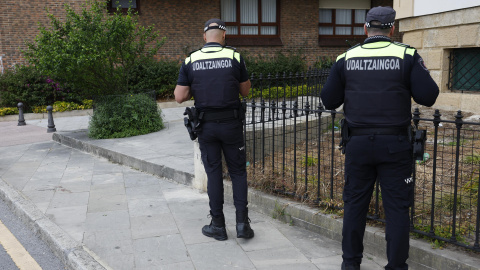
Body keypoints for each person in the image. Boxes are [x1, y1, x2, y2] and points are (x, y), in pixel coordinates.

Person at [320, 6, 439, 270]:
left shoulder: (346, 57)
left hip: (358, 144)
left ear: (365, 29)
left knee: (354, 206)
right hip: (395, 145)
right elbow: (428, 96)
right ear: (392, 29)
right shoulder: (406, 54)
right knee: (397, 209)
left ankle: (350, 264)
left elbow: (329, 99)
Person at [174, 18, 254, 241]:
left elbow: (179, 96)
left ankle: (218, 225)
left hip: (206, 127)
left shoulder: (191, 59)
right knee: (238, 172)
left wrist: (195, 90)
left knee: (214, 174)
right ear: (224, 36)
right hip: (231, 125)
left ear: (204, 37)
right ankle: (242, 225)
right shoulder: (234, 57)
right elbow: (245, 91)